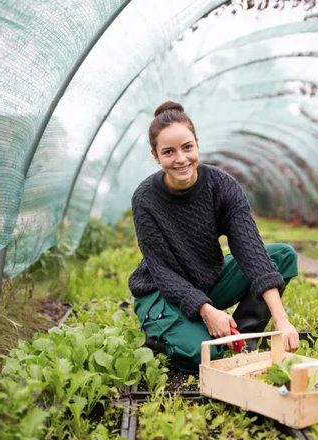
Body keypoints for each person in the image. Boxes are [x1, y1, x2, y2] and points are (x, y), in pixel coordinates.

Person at [128, 101, 300, 373]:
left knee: (282, 256)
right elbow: (163, 271)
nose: (181, 159)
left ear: (196, 143)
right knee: (207, 355)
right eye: (169, 152)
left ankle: (243, 336)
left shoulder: (222, 186)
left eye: (187, 147)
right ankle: (163, 335)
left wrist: (281, 320)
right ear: (155, 156)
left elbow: (250, 251)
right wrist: (207, 311)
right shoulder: (145, 199)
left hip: (206, 280)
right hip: (161, 292)